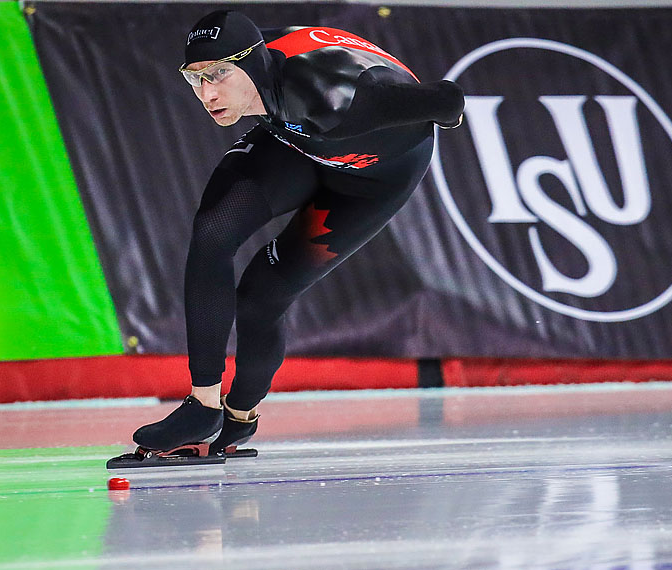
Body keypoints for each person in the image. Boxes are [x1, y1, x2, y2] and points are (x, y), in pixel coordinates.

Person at [132, 10, 464, 456]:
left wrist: (446, 109)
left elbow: (447, 100)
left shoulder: (339, 97)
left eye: (218, 76)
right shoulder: (249, 61)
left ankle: (240, 416)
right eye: (195, 79)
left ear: (250, 63)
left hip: (369, 182)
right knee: (212, 232)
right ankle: (203, 405)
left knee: (260, 296)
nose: (207, 93)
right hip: (296, 143)